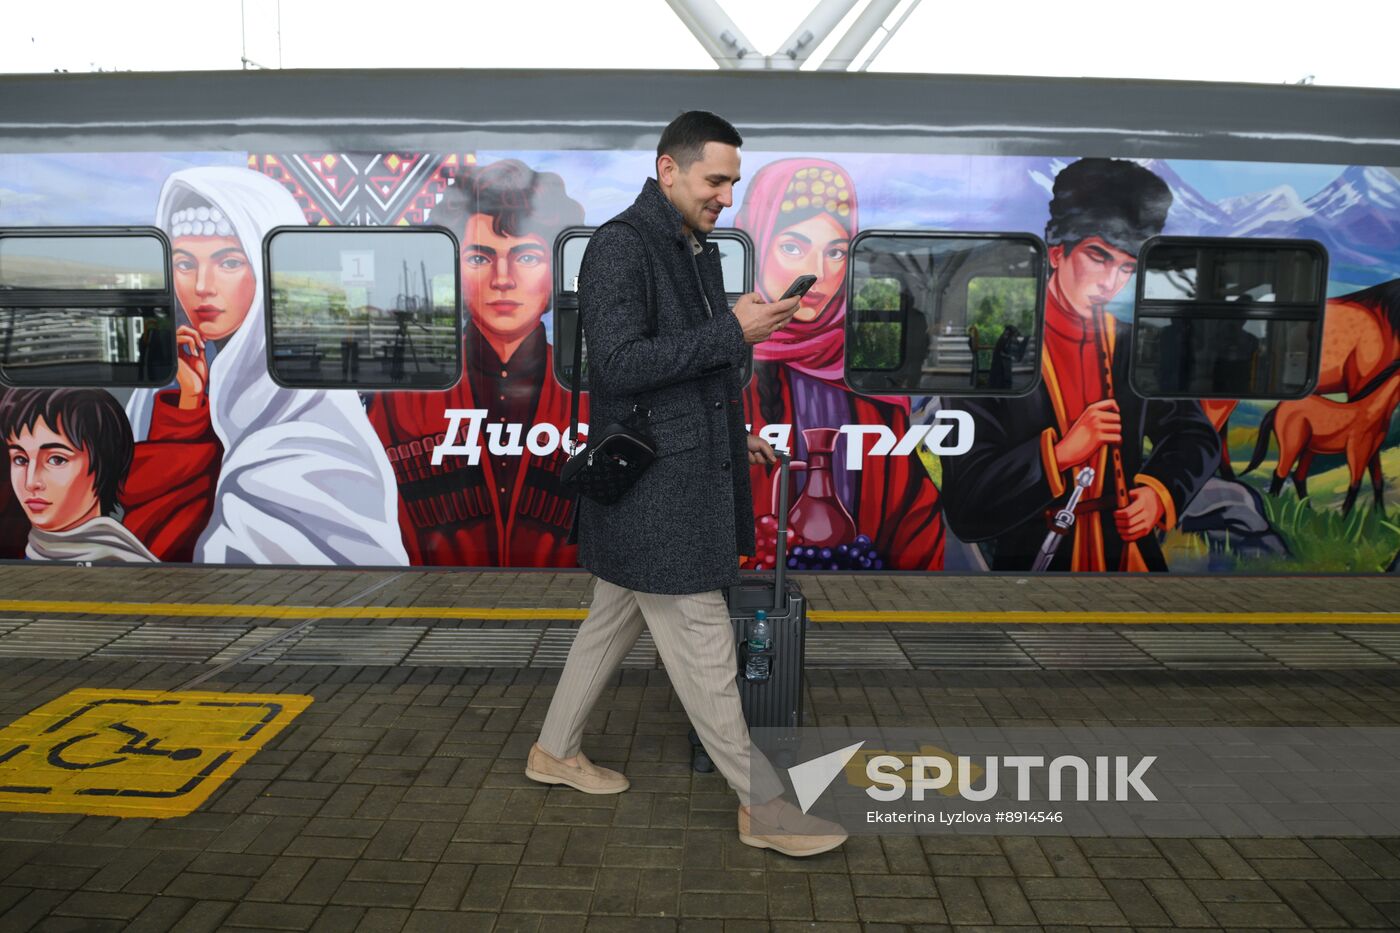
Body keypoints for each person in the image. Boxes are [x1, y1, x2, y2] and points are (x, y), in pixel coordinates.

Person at [527, 111, 847, 857]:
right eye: (715, 179)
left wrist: (735, 426)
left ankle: (553, 752)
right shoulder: (619, 246)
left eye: (733, 181)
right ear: (668, 170)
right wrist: (736, 331)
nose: (726, 195)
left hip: (674, 477)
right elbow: (617, 365)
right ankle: (761, 804)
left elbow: (685, 375)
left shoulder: (694, 250)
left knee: (609, 621)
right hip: (657, 497)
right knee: (705, 644)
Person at [940, 158, 1219, 571]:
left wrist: (1158, 493)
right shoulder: (992, 354)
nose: (1111, 283)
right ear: (1056, 253)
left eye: (1126, 267)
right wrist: (1061, 453)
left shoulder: (1135, 345)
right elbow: (967, 505)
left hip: (1126, 557)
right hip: (1033, 560)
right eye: (1098, 257)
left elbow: (1195, 435)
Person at [123, 167, 408, 565]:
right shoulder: (195, 384)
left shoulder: (314, 427)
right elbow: (154, 550)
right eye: (185, 264)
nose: (202, 285)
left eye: (228, 263)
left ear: (270, 271)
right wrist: (188, 407)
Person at [367, 159, 586, 566]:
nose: (502, 278)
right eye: (480, 259)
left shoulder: (593, 390)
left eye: (525, 258)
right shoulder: (401, 398)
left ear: (556, 272)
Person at [736, 158, 943, 571]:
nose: (818, 273)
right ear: (755, 246)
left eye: (836, 252)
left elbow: (913, 512)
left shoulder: (869, 388)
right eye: (792, 247)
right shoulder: (720, 361)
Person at [2, 388, 156, 563]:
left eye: (57, 460)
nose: (31, 482)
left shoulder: (124, 563)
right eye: (21, 460)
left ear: (104, 462)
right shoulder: (35, 551)